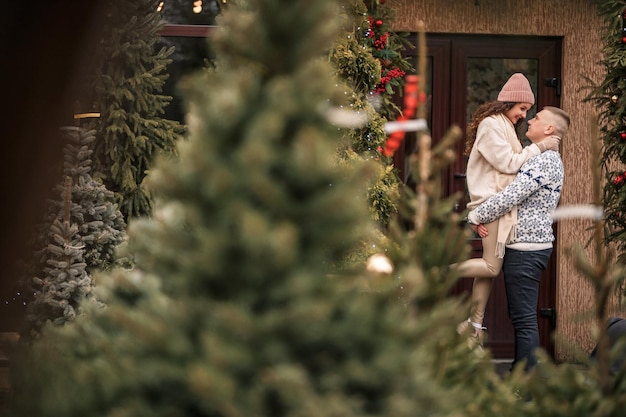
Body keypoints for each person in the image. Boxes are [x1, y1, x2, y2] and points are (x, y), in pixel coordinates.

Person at [455, 73, 560, 339]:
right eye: (523, 108)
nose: (524, 115)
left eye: (527, 111)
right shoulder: (491, 124)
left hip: (497, 208)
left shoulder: (503, 125)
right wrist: (540, 147)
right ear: (509, 102)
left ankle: (474, 326)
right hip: (490, 206)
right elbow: (510, 164)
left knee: (488, 271)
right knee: (492, 267)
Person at [467, 105, 570, 371]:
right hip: (524, 247)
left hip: (527, 250)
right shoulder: (539, 157)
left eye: (536, 118)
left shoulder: (544, 160)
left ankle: (523, 382)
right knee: (521, 318)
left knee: (523, 319)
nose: (530, 119)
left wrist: (476, 216)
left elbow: (512, 195)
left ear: (549, 129)